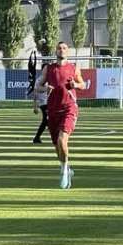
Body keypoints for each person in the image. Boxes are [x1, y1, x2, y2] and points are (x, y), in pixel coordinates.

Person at [37, 42, 86, 189]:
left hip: (69, 108)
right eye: (59, 48)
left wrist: (75, 85)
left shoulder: (74, 68)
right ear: (56, 51)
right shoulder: (49, 68)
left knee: (62, 140)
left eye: (64, 48)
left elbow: (83, 84)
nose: (61, 50)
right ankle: (66, 167)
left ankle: (64, 172)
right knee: (57, 146)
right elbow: (37, 86)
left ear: (68, 51)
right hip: (53, 110)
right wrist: (45, 87)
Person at [32, 63, 49, 144]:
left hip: (50, 103)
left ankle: (37, 138)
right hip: (44, 103)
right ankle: (37, 137)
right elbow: (35, 93)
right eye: (46, 69)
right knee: (46, 120)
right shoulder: (39, 80)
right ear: (42, 70)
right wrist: (35, 106)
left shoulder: (49, 79)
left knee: (48, 120)